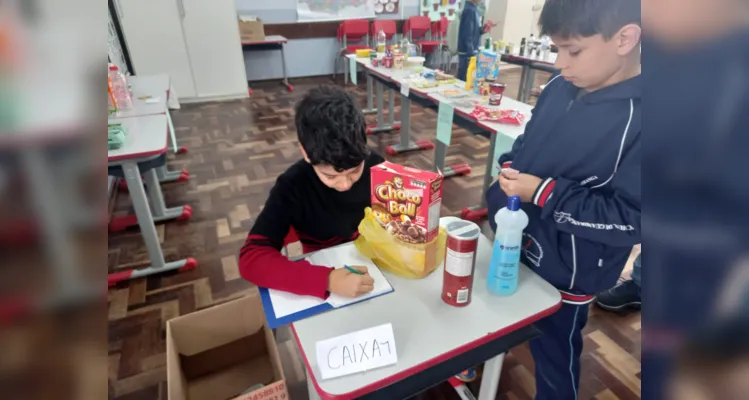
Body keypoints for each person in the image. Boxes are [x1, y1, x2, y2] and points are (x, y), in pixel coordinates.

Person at [484, 0, 641, 398]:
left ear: (625, 38)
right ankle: (480, 363)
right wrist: (512, 164)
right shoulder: (560, 86)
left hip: (570, 266)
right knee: (494, 310)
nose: (559, 63)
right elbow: (530, 141)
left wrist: (541, 191)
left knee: (553, 350)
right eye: (556, 49)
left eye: (573, 51)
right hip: (516, 234)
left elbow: (632, 219)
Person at [238, 85, 384, 299]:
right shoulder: (292, 187)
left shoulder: (377, 166)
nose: (345, 185)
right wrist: (327, 280)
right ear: (305, 152)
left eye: (354, 172)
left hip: (377, 262)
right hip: (325, 265)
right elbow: (252, 259)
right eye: (330, 176)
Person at [456, 0, 492, 81]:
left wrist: (484, 29)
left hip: (470, 50)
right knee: (465, 79)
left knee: (466, 78)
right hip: (467, 52)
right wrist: (471, 55)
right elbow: (467, 34)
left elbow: (474, 31)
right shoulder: (470, 10)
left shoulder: (473, 9)